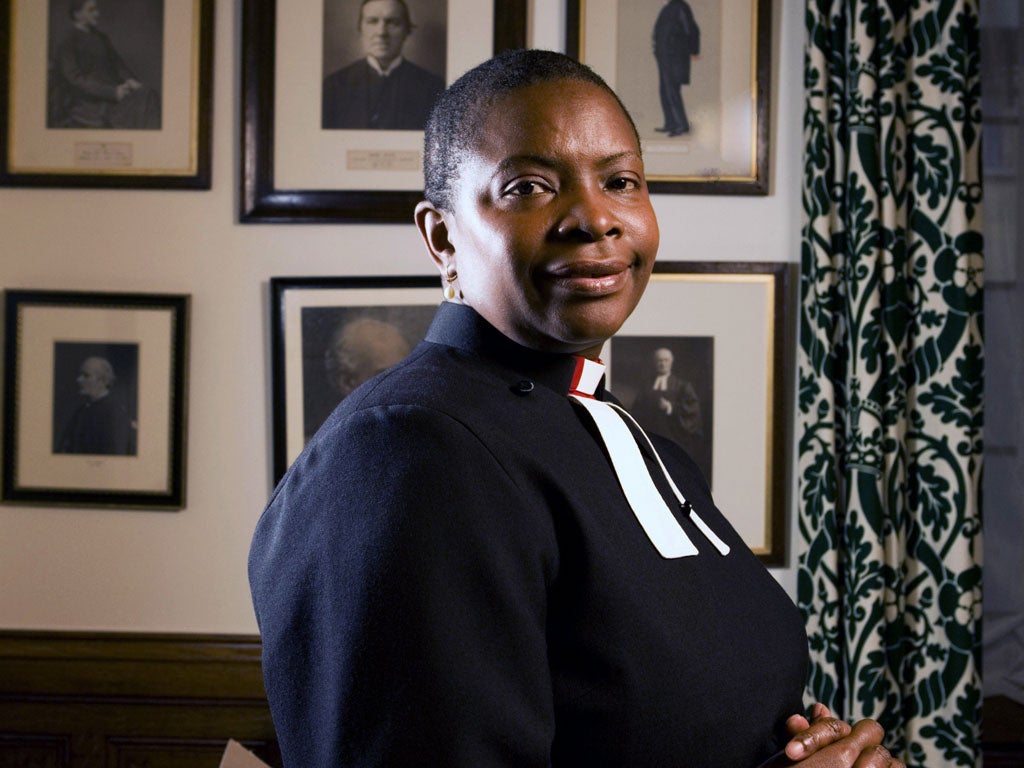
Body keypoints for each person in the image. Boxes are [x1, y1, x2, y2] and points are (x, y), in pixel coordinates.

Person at [250, 49, 905, 767]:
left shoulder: (629, 436)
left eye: (621, 181)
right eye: (528, 187)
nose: (596, 218)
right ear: (442, 237)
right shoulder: (410, 450)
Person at [321, 0, 445, 130]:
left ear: (407, 31)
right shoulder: (334, 87)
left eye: (393, 22)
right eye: (372, 21)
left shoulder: (433, 88)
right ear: (360, 29)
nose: (381, 33)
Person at [48, 0, 161, 129]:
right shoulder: (67, 41)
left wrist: (130, 80)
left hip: (114, 97)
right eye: (91, 10)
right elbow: (75, 80)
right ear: (77, 14)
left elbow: (118, 65)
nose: (97, 14)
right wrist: (112, 92)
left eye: (96, 9)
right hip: (87, 104)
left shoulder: (101, 38)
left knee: (147, 95)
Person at [630, 345, 708, 476]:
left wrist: (671, 408)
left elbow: (693, 412)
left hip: (674, 438)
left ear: (671, 362)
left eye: (666, 360)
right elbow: (637, 410)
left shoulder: (683, 386)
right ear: (655, 363)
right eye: (659, 360)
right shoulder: (646, 386)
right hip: (651, 438)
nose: (662, 363)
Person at [56, 356, 134, 455]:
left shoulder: (115, 412)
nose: (79, 380)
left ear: (102, 380)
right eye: (80, 375)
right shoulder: (80, 412)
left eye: (86, 375)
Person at [653, 0, 699, 136]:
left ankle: (682, 124)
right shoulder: (669, 7)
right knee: (664, 90)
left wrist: (694, 51)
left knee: (672, 89)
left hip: (674, 57)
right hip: (664, 56)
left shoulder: (680, 7)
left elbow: (691, 30)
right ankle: (670, 123)